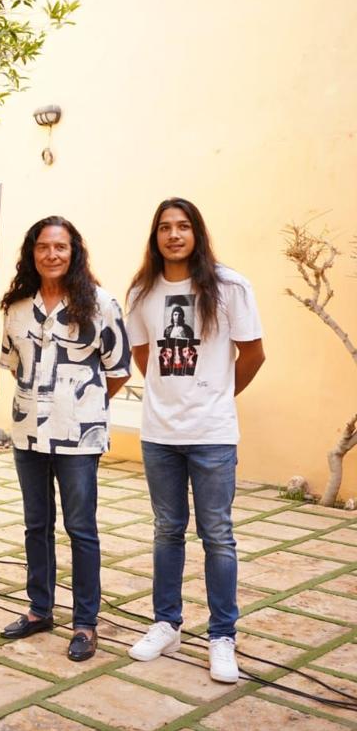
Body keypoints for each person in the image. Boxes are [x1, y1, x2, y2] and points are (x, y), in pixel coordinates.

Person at [124, 197, 265, 684]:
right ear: (155, 236)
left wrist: (216, 396)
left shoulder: (230, 287)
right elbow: (143, 354)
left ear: (197, 233)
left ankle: (222, 635)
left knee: (217, 535)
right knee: (167, 530)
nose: (174, 235)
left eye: (183, 226)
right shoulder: (142, 291)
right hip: (160, 433)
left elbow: (253, 354)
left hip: (212, 434)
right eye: (165, 227)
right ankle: (166, 623)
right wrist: (170, 394)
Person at [0, 216, 131, 662]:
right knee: (37, 525)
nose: (51, 255)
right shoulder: (16, 308)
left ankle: (86, 623)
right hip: (28, 434)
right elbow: (14, 364)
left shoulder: (101, 304)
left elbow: (117, 371)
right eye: (43, 247)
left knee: (81, 529)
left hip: (80, 439)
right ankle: (40, 610)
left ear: (74, 252)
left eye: (60, 247)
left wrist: (78, 405)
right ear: (31, 253)